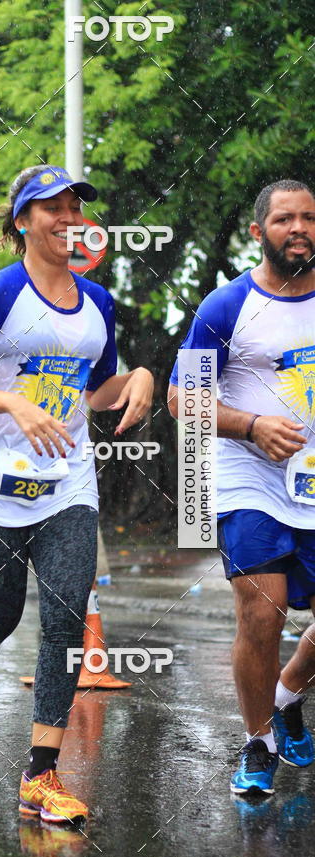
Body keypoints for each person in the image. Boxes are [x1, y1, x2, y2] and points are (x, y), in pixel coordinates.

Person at [0, 164, 154, 824]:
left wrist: (138, 377)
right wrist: (13, 404)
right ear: (23, 221)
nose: (67, 217)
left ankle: (41, 773)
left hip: (66, 485)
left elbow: (96, 391)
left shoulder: (98, 303)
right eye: (51, 207)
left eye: (74, 206)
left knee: (65, 618)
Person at [168, 179, 315, 796]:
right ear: (258, 232)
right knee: (262, 611)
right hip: (246, 477)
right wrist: (252, 426)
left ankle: (287, 692)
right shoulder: (227, 306)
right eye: (284, 219)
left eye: (309, 218)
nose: (299, 228)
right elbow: (182, 399)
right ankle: (258, 743)